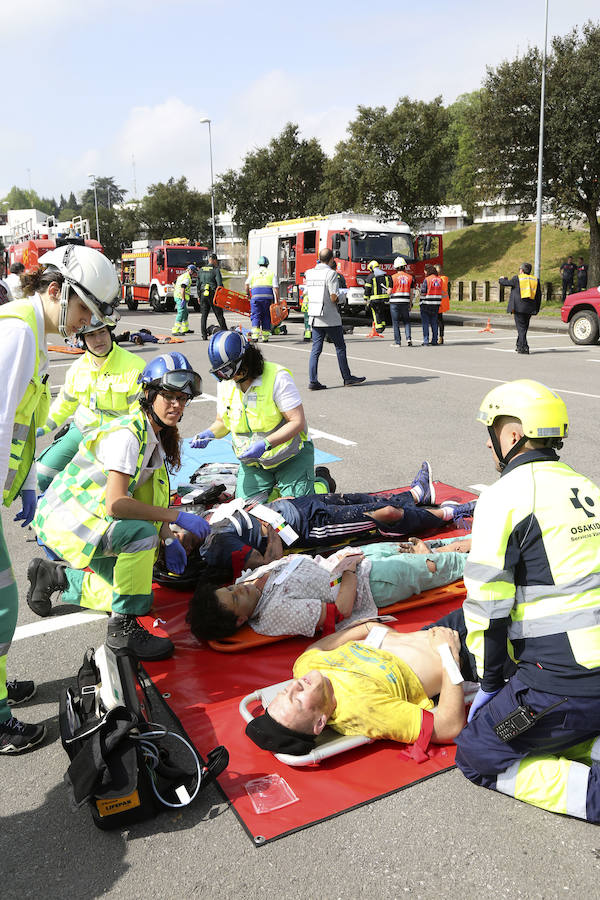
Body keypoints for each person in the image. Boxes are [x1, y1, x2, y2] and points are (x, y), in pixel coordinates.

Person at [454, 379, 600, 825]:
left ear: (513, 436)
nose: (488, 440)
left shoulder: (505, 497)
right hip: (584, 676)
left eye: (493, 430)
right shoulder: (586, 488)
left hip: (558, 690)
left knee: (478, 749)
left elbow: (488, 608)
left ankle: (592, 793)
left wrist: (490, 682)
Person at [0, 244, 119, 754]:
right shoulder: (18, 332)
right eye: (85, 310)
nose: (85, 323)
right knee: (2, 607)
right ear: (57, 290)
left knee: (3, 605)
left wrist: (26, 487)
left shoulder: (33, 331)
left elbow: (20, 427)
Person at [29, 353, 211, 660]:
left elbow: (150, 496)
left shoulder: (153, 436)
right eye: (168, 396)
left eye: (183, 398)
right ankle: (122, 632)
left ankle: (57, 576)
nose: (177, 405)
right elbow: (116, 504)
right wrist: (176, 517)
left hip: (86, 522)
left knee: (135, 594)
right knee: (141, 537)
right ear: (148, 394)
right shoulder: (129, 435)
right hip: (69, 523)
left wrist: (168, 535)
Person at [192, 461, 475, 580]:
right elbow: (268, 564)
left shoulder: (204, 519)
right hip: (310, 526)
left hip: (296, 506)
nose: (180, 525)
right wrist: (273, 529)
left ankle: (416, 493)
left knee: (366, 499)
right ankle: (448, 513)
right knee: (386, 516)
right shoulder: (218, 545)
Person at [245, 614, 472, 756]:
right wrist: (449, 655)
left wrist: (366, 628)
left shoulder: (304, 667)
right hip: (467, 651)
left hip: (435, 632)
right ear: (319, 723)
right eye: (296, 700)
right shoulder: (362, 709)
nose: (295, 686)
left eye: (285, 691)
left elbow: (314, 649)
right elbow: (448, 728)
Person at [189, 535, 471, 642]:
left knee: (439, 548)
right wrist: (348, 569)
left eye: (230, 589)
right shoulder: (273, 615)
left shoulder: (247, 584)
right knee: (450, 564)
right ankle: (507, 552)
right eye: (236, 599)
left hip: (357, 559)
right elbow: (341, 611)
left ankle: (494, 532)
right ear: (240, 619)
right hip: (370, 583)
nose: (240, 589)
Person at [193, 330, 318, 499]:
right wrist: (208, 434)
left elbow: (297, 422)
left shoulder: (277, 378)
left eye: (229, 371)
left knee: (296, 511)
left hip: (291, 457)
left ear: (246, 361)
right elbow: (223, 422)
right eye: (220, 373)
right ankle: (276, 491)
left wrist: (266, 444)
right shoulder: (226, 383)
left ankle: (321, 482)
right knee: (246, 513)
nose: (227, 377)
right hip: (254, 464)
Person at [36, 318, 145, 492]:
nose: (98, 340)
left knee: (107, 489)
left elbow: (139, 417)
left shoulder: (135, 366)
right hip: (82, 431)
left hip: (117, 437)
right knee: (43, 473)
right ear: (82, 340)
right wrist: (41, 427)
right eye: (91, 335)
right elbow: (64, 404)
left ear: (110, 332)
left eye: (102, 332)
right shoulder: (77, 368)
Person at [304, 248, 365, 390]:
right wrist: (344, 296)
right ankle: (347, 377)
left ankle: (313, 381)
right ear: (331, 259)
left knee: (316, 350)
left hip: (315, 315)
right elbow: (334, 297)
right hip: (330, 317)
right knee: (340, 347)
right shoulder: (331, 274)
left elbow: (307, 291)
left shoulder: (310, 273)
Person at [499, 262, 541, 354]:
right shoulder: (535, 280)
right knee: (523, 328)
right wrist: (537, 309)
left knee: (521, 328)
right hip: (530, 309)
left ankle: (525, 347)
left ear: (521, 270)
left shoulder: (517, 278)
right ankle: (519, 345)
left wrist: (501, 279)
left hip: (518, 308)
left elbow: (505, 283)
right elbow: (539, 296)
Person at [246, 255, 278, 342]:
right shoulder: (272, 273)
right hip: (267, 298)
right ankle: (265, 337)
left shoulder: (254, 273)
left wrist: (248, 294)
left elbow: (247, 284)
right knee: (266, 316)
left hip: (255, 298)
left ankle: (255, 337)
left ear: (259, 264)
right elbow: (275, 288)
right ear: (267, 264)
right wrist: (277, 301)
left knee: (256, 315)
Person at [197, 253, 227, 340]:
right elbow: (220, 284)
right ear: (214, 260)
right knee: (219, 314)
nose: (217, 263)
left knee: (204, 315)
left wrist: (199, 296)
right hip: (213, 294)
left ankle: (204, 335)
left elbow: (198, 285)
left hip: (203, 294)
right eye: (216, 261)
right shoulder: (215, 270)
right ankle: (225, 332)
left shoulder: (201, 270)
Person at [388, 257, 413, 347]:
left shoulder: (393, 277)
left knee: (395, 322)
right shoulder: (410, 277)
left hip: (395, 302)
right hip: (405, 301)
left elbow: (390, 291)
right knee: (406, 321)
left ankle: (397, 342)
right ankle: (408, 338)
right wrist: (410, 303)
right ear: (404, 267)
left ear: (396, 267)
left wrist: (387, 291)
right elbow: (411, 293)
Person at [363, 260, 391, 337]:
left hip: (374, 298)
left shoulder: (371, 276)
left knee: (376, 313)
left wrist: (366, 297)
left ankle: (379, 328)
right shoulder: (385, 275)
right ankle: (383, 325)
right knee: (381, 312)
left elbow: (367, 288)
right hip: (384, 298)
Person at [419, 264, 443, 346]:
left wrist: (420, 302)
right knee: (434, 323)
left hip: (426, 304)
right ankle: (434, 340)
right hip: (436, 304)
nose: (424, 272)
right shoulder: (440, 280)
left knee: (425, 323)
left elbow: (423, 293)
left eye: (425, 271)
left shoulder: (427, 279)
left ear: (427, 271)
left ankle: (426, 340)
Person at [171, 264, 197, 335]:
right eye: (194, 272)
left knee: (185, 313)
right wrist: (182, 299)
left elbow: (174, 282)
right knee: (181, 313)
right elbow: (182, 289)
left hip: (178, 296)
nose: (195, 274)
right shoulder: (187, 278)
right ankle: (175, 330)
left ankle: (185, 329)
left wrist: (176, 289)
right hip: (180, 297)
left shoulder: (182, 276)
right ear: (191, 271)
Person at [435, 264, 450, 345]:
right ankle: (441, 337)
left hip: (438, 302)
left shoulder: (438, 280)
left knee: (437, 321)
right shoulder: (445, 278)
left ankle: (437, 337)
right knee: (440, 320)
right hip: (443, 302)